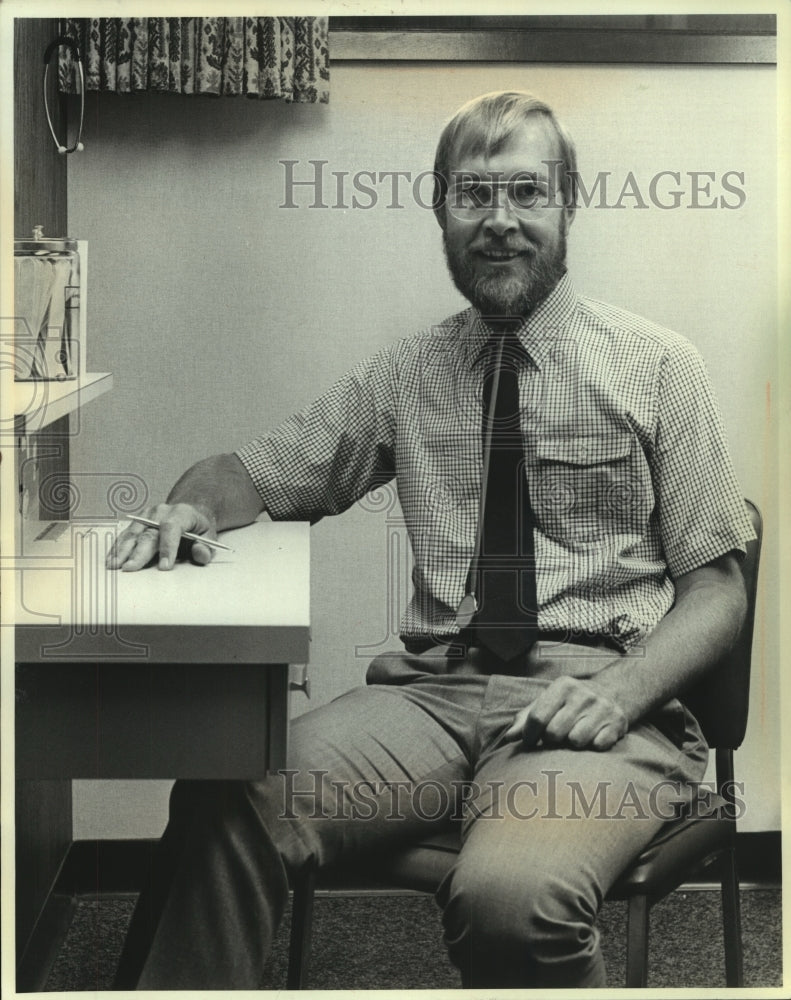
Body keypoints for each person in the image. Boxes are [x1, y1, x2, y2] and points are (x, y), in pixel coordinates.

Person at [109, 91, 754, 989]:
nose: (498, 221)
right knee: (228, 801)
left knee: (510, 898)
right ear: (438, 208)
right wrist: (187, 507)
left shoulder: (657, 367)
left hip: (596, 707)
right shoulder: (409, 373)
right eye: (471, 194)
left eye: (526, 193)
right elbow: (250, 474)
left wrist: (616, 692)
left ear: (569, 201)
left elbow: (718, 587)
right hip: (429, 700)